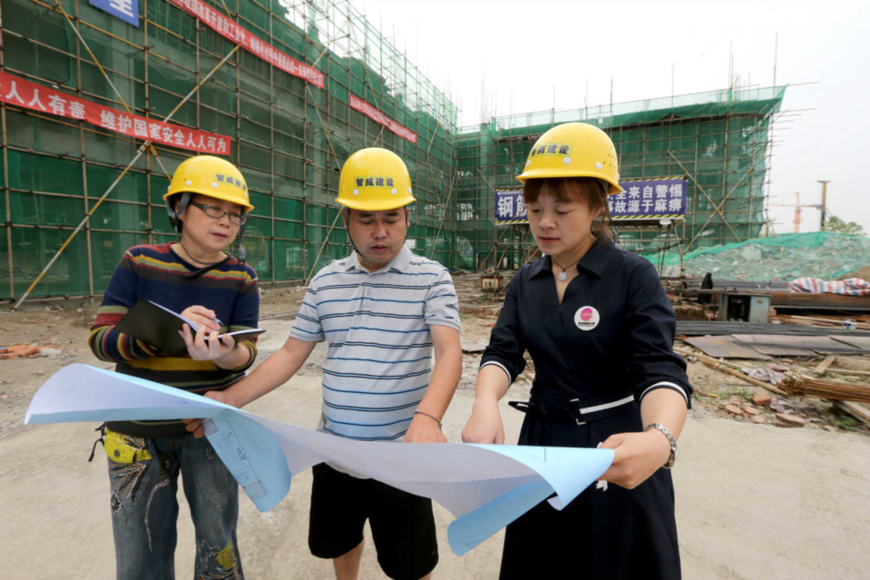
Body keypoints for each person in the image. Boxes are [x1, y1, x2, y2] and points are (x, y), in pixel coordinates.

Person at [185, 147, 462, 580]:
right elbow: (292, 354)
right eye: (366, 219)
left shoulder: (432, 278)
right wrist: (229, 398)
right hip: (334, 453)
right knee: (341, 539)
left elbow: (449, 352)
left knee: (411, 561)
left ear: (408, 217)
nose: (380, 231)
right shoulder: (327, 280)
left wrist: (429, 416)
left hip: (403, 456)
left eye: (391, 218)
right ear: (346, 219)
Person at [461, 122, 692, 580]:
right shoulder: (525, 282)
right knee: (541, 560)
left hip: (614, 446)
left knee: (614, 561)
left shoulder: (632, 275)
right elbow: (503, 352)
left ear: (597, 204)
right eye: (534, 208)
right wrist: (485, 403)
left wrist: (659, 437)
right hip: (543, 441)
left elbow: (657, 367)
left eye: (562, 208)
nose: (545, 222)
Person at [88, 155, 260, 580]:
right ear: (179, 209)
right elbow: (100, 340)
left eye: (235, 216)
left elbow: (247, 352)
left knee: (218, 541)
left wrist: (220, 353)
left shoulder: (241, 278)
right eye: (213, 209)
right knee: (139, 548)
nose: (225, 222)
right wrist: (162, 333)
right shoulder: (139, 262)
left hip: (210, 426)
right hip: (136, 429)